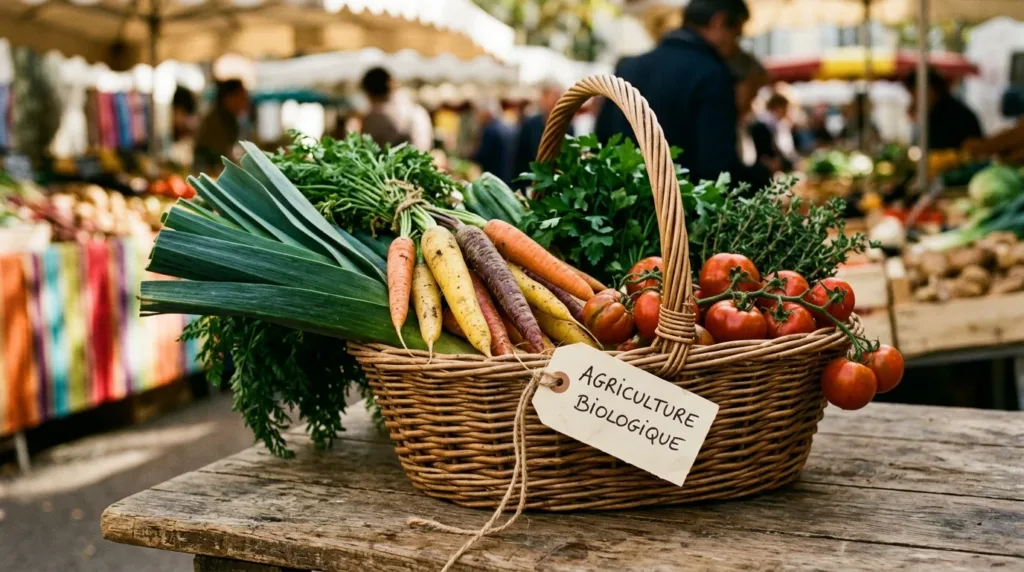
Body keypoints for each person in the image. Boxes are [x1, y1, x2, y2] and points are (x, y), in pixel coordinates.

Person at [595, 0, 770, 190]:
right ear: (718, 22)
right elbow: (717, 170)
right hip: (683, 213)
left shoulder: (628, 68)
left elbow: (602, 141)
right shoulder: (712, 74)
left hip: (623, 207)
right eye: (736, 36)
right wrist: (762, 177)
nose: (735, 48)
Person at [904, 66, 983, 150]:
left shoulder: (952, 114)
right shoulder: (940, 109)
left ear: (929, 90)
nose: (913, 99)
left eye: (913, 93)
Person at [359, 66, 433, 152]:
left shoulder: (374, 116)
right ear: (392, 84)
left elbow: (366, 150)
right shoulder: (416, 109)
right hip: (419, 161)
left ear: (368, 93)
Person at [514, 83, 572, 183]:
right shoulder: (530, 125)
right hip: (531, 182)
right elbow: (520, 157)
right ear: (543, 99)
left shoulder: (568, 127)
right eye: (554, 97)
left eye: (560, 97)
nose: (557, 101)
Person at [193, 79, 249, 175]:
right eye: (242, 96)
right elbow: (218, 156)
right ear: (229, 98)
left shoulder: (229, 119)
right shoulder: (215, 121)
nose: (246, 100)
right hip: (208, 173)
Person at [472, 100, 516, 184]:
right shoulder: (507, 127)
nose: (478, 117)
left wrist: (470, 156)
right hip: (508, 175)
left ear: (486, 113)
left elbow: (482, 155)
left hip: (493, 177)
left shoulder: (490, 130)